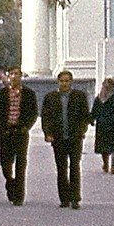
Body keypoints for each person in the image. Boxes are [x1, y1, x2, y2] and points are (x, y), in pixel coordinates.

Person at [42, 70, 90, 208]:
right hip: (58, 137)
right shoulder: (50, 98)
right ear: (58, 82)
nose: (64, 84)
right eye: (62, 81)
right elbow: (46, 117)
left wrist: (82, 131)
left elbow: (84, 116)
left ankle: (75, 198)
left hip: (75, 137)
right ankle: (64, 198)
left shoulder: (79, 96)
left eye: (67, 81)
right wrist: (48, 133)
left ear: (71, 82)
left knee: (75, 167)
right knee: (61, 168)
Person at [0, 66, 38, 205]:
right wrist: (0, 129)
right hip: (6, 132)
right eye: (11, 74)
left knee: (21, 163)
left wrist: (26, 127)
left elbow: (33, 113)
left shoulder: (29, 94)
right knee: (5, 163)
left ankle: (19, 195)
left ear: (21, 76)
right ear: (8, 76)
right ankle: (10, 182)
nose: (14, 76)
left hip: (21, 132)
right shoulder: (1, 94)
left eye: (17, 74)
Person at [89, 77, 114, 174]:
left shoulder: (99, 98)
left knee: (104, 148)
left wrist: (91, 120)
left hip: (103, 126)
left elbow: (94, 111)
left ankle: (106, 164)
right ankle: (113, 167)